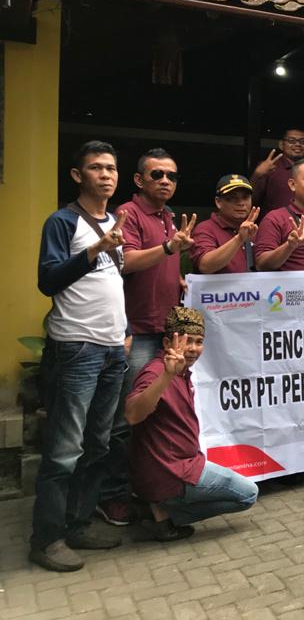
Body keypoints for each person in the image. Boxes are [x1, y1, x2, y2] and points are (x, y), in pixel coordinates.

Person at [30, 141, 129, 572]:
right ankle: (46, 539)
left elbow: (112, 286)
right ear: (77, 175)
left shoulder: (113, 221)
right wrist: (94, 250)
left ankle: (78, 524)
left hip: (111, 349)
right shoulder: (62, 221)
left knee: (97, 444)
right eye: (96, 168)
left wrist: (124, 333)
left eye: (111, 168)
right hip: (76, 349)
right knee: (64, 449)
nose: (106, 175)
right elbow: (48, 281)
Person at [100, 148, 196, 525]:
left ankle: (146, 489)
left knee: (159, 415)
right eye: (157, 175)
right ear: (139, 180)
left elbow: (159, 263)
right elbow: (127, 261)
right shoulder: (128, 213)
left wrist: (177, 276)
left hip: (165, 332)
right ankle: (112, 496)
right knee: (126, 420)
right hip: (135, 332)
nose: (166, 181)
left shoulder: (169, 217)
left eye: (172, 176)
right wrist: (170, 248)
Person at [127, 308, 258, 542]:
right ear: (167, 342)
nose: (194, 348)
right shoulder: (157, 372)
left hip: (183, 464)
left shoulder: (181, 371)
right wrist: (166, 376)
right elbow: (133, 415)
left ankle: (160, 509)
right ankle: (165, 512)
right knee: (248, 494)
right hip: (171, 472)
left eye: (199, 342)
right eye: (187, 341)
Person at [190, 175, 260, 274]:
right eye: (233, 198)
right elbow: (205, 266)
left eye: (245, 197)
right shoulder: (205, 228)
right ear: (218, 202)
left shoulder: (255, 229)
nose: (241, 203)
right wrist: (239, 239)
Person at [250, 128, 304, 212]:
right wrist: (257, 174)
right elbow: (250, 200)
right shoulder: (270, 167)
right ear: (281, 145)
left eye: (302, 142)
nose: (297, 144)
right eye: (291, 141)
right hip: (274, 219)